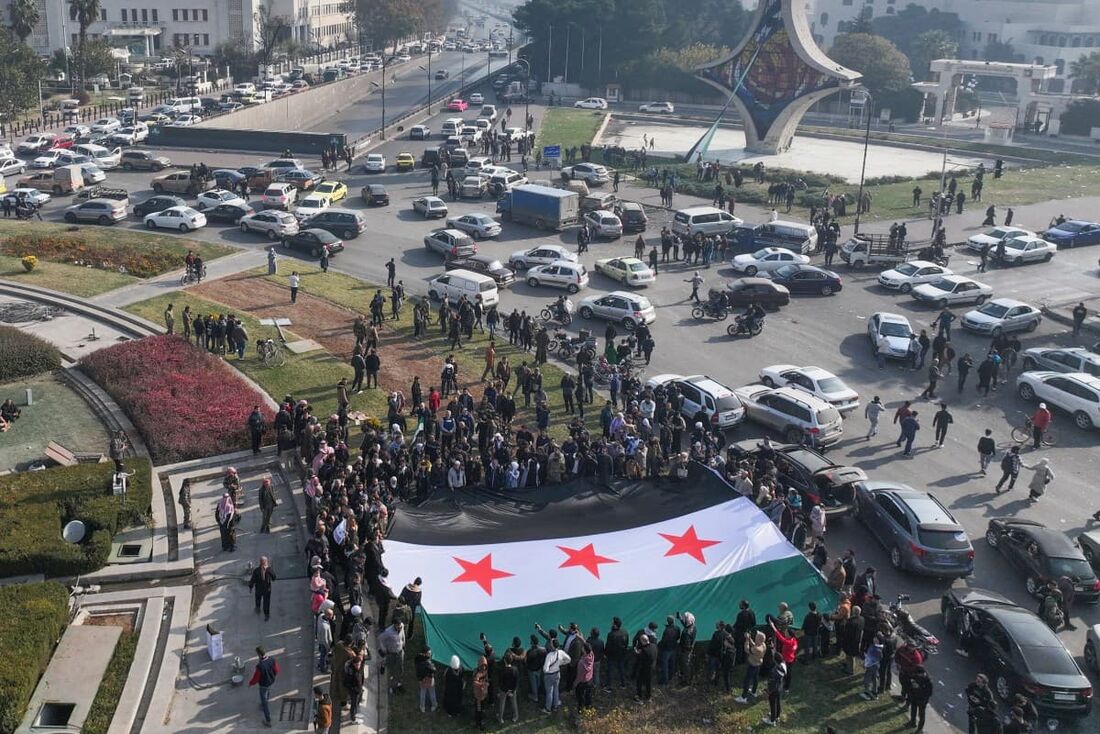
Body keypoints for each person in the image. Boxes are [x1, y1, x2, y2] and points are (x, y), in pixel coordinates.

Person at [248, 646, 279, 727]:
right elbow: (276, 670)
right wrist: (271, 676)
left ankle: (268, 720)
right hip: (271, 681)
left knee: (264, 701)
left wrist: (251, 683)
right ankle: (265, 702)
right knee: (267, 692)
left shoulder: (260, 666)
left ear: (258, 654)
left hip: (263, 684)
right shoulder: (272, 660)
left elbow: (256, 678)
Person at [542, 638, 570, 712]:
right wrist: (561, 663)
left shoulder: (549, 656)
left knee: (549, 692)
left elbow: (545, 669)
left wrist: (547, 671)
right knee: (556, 689)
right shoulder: (561, 652)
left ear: (552, 646)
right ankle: (556, 705)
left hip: (549, 675)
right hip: (557, 673)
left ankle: (548, 708)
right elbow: (568, 659)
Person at [248, 555, 276, 620]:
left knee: (259, 599)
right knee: (266, 602)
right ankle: (266, 614)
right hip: (266, 589)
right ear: (266, 562)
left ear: (260, 562)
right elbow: (274, 578)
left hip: (260, 589)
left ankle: (259, 609)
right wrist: (269, 569)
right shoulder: (268, 570)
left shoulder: (257, 570)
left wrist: (250, 587)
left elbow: (252, 580)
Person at [908, 665, 933, 732]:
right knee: (913, 710)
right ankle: (912, 722)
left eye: (918, 674)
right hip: (914, 697)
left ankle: (920, 729)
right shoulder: (914, 676)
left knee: (921, 714)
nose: (917, 676)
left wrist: (918, 688)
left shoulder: (928, 681)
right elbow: (910, 685)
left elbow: (929, 693)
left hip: (922, 700)